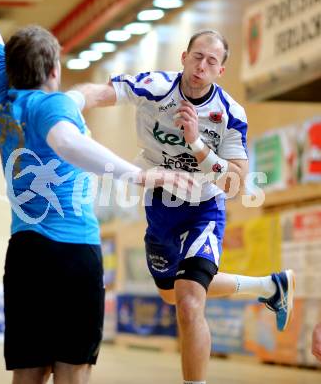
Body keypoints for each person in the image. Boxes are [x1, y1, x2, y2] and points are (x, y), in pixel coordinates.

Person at [0, 0, 194, 383]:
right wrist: (138, 175)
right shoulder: (54, 104)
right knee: (73, 373)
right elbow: (66, 142)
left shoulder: (2, 93)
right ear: (53, 71)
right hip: (73, 253)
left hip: (26, 254)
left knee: (27, 376)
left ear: (9, 66)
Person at [72, 30, 295, 384]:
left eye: (211, 61)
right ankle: (268, 287)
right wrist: (66, 103)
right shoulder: (155, 86)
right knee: (171, 294)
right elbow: (100, 92)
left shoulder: (230, 113)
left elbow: (235, 182)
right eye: (197, 57)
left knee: (191, 301)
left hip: (203, 208)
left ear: (220, 70)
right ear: (183, 57)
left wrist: (197, 144)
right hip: (159, 205)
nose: (201, 66)